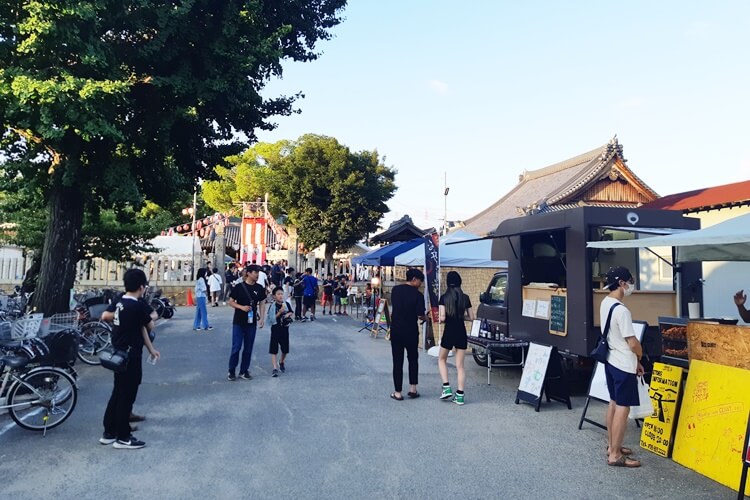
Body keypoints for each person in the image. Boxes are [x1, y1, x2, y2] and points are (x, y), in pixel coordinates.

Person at [100, 269, 160, 449]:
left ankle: (109, 432)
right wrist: (150, 317)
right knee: (127, 395)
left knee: (118, 392)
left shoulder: (120, 302)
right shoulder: (138, 306)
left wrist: (151, 348)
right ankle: (123, 437)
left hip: (118, 353)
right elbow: (149, 325)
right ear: (142, 287)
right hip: (131, 355)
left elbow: (140, 328)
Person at [601, 266, 643, 468]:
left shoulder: (605, 303)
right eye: (629, 281)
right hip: (624, 364)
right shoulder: (622, 310)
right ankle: (615, 455)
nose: (631, 285)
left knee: (613, 403)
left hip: (610, 360)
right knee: (623, 408)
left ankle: (612, 446)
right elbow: (632, 342)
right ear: (621, 283)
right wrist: (641, 356)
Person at [437, 271, 475, 405]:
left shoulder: (444, 297)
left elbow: (442, 318)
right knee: (460, 366)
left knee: (442, 359)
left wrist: (441, 319)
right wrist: (460, 317)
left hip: (449, 331)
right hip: (461, 331)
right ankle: (460, 395)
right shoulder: (466, 297)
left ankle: (446, 387)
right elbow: (471, 317)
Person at [389, 268, 426, 401]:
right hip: (411, 331)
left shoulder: (395, 290)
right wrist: (426, 318)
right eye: (420, 281)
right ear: (414, 279)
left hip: (397, 330)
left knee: (397, 361)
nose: (421, 284)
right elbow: (420, 315)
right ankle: (413, 389)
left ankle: (398, 392)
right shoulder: (418, 296)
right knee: (413, 359)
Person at [227, 264, 267, 381]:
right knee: (237, 346)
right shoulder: (239, 287)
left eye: (258, 273)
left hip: (251, 322)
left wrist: (261, 318)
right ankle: (231, 370)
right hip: (239, 321)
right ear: (248, 273)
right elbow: (231, 301)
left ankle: (244, 370)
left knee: (248, 347)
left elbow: (262, 303)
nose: (257, 275)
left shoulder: (259, 288)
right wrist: (241, 307)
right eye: (255, 272)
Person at [266, 287, 294, 377]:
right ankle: (275, 368)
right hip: (275, 329)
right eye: (278, 294)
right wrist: (279, 313)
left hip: (285, 329)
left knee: (285, 349)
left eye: (281, 294)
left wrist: (287, 315)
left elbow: (291, 312)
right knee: (274, 349)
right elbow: (270, 319)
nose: (280, 296)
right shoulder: (272, 306)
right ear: (274, 296)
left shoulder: (286, 304)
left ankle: (281, 361)